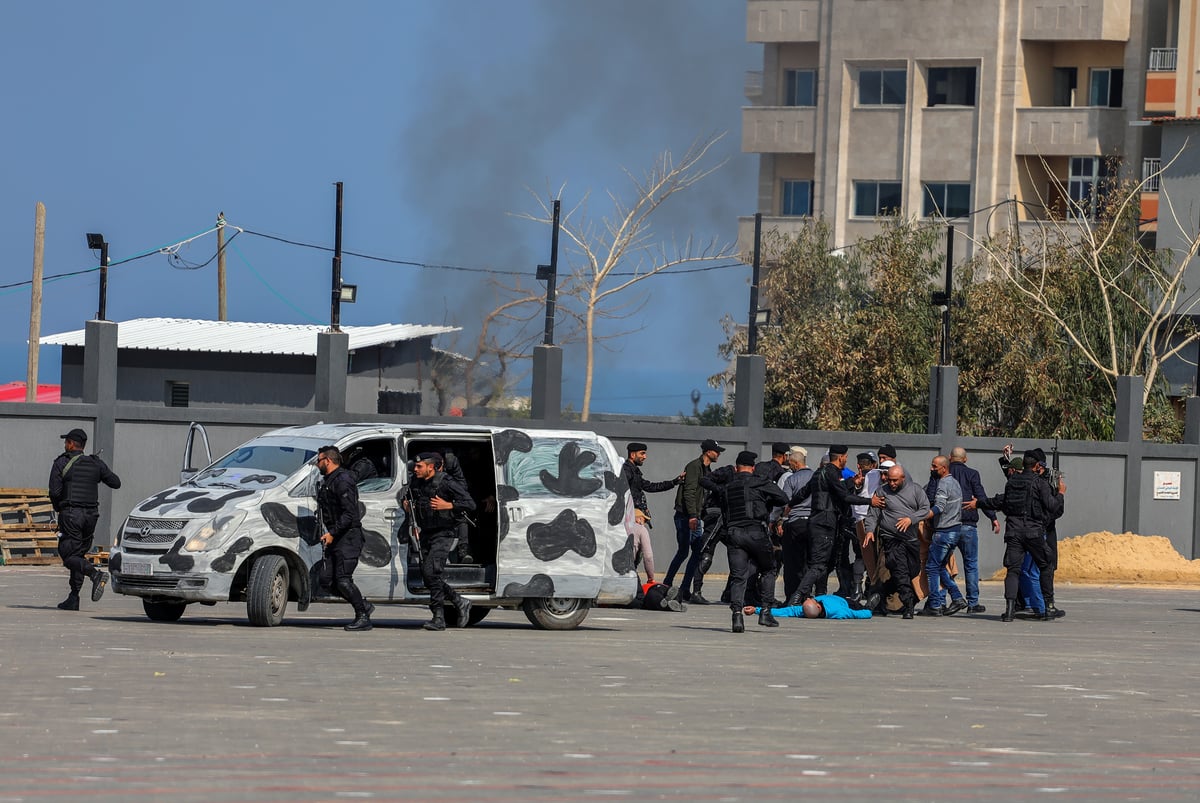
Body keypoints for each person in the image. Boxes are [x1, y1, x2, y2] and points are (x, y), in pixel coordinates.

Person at [979, 449, 1065, 622]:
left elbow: (1000, 501)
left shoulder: (1012, 482)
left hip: (1013, 532)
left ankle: (1010, 611)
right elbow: (1053, 506)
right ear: (1036, 466)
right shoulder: (1040, 483)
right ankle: (1048, 607)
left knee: (1013, 571)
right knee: (1046, 565)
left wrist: (978, 503)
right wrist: (1061, 493)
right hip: (1033, 532)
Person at [711, 450, 790, 633]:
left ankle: (737, 615)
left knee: (738, 576)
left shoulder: (728, 486)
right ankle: (766, 612)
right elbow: (783, 498)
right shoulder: (760, 482)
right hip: (756, 532)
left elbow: (724, 507)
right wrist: (766, 501)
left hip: (734, 534)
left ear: (737, 468)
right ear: (753, 468)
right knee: (769, 569)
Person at [786, 444, 873, 604]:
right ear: (841, 457)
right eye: (846, 457)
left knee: (830, 561)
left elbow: (804, 493)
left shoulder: (820, 473)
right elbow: (845, 497)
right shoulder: (832, 473)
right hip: (824, 524)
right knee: (818, 564)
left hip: (820, 523)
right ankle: (797, 596)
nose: (846, 460)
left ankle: (820, 595)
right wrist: (870, 501)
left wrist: (790, 505)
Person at [48, 428, 120, 611]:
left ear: (72, 444)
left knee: (68, 555)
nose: (65, 445)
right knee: (78, 555)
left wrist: (60, 510)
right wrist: (99, 465)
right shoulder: (95, 463)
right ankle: (73, 597)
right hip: (91, 516)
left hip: (71, 514)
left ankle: (95, 575)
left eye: (67, 442)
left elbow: (55, 492)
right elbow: (115, 482)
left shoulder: (61, 462)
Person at [405, 452, 477, 631]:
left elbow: (470, 504)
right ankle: (459, 601)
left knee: (431, 573)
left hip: (444, 533)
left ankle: (439, 618)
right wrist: (406, 505)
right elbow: (408, 497)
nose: (415, 469)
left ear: (431, 467)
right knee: (427, 575)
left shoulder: (446, 483)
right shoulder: (417, 482)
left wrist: (449, 505)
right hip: (426, 533)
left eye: (419, 467)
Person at [315, 445, 374, 631]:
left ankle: (363, 616)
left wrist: (332, 533)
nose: (317, 464)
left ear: (328, 461)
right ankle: (363, 605)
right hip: (336, 535)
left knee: (342, 579)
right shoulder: (329, 480)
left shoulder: (343, 480)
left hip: (348, 537)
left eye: (319, 461)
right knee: (326, 580)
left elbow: (350, 514)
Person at [862, 463, 930, 619]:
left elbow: (925, 509)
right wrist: (870, 531)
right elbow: (873, 513)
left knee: (912, 570)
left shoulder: (915, 490)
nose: (891, 483)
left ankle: (885, 595)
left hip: (910, 539)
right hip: (891, 538)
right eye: (889, 480)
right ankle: (908, 606)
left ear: (903, 478)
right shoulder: (882, 491)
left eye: (895, 481)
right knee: (900, 570)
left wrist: (910, 519)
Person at [665, 438, 724, 602]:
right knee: (683, 552)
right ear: (708, 452)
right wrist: (692, 516)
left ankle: (684, 589)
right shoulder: (694, 467)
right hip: (686, 517)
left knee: (697, 553)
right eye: (716, 451)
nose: (718, 454)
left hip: (695, 517)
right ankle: (666, 585)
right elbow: (689, 493)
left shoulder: (707, 470)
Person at [620, 442, 682, 584]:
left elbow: (650, 486)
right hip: (632, 521)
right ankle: (632, 586)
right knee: (633, 555)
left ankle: (632, 584)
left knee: (636, 557)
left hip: (636, 519)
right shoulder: (626, 471)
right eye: (642, 453)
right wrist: (632, 513)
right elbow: (622, 494)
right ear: (632, 454)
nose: (645, 457)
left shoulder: (634, 471)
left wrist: (674, 482)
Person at [948, 446, 999, 613]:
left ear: (950, 458)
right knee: (970, 564)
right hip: (968, 525)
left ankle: (940, 600)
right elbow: (981, 496)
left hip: (946, 526)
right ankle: (972, 603)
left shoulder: (943, 473)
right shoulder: (972, 474)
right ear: (965, 459)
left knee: (941, 564)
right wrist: (993, 517)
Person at [920, 455, 967, 616]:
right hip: (955, 531)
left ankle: (935, 604)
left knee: (932, 567)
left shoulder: (943, 484)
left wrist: (921, 516)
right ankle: (957, 597)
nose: (931, 469)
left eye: (934, 466)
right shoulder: (955, 483)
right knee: (939, 567)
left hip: (944, 532)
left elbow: (939, 506)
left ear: (944, 468)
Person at [778, 446, 814, 605]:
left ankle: (791, 597)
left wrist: (776, 520)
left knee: (792, 563)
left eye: (790, 464)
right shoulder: (816, 477)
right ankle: (806, 596)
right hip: (813, 524)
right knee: (809, 562)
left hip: (794, 524)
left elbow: (783, 503)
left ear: (795, 463)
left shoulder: (791, 479)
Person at [743, 591, 880, 620]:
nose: (809, 598)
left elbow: (783, 612)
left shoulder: (803, 610)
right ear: (818, 606)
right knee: (857, 606)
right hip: (845, 602)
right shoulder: (840, 612)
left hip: (836, 597)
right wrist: (868, 610)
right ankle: (864, 603)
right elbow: (856, 614)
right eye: (813, 600)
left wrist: (757, 609)